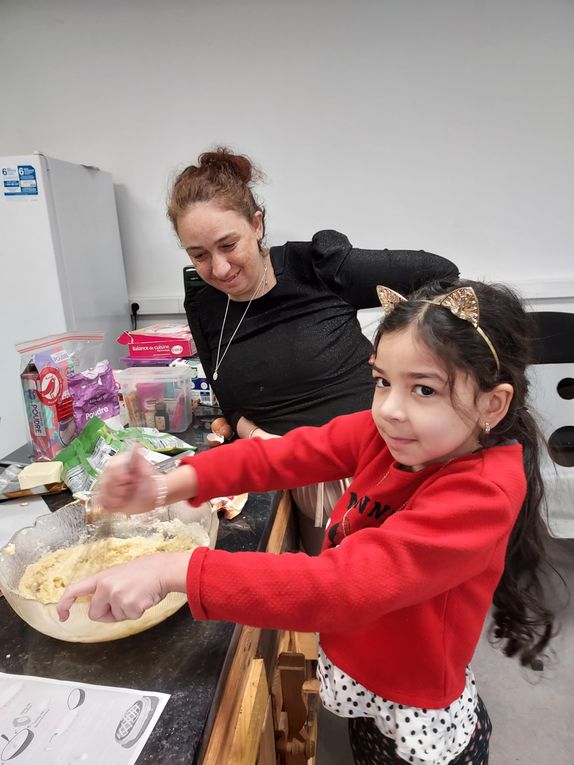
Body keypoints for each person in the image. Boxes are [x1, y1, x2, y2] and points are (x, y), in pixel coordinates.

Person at [59, 278, 555, 765]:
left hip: (413, 698)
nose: (390, 410)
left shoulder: (481, 492)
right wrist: (168, 485)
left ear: (493, 404)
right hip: (368, 666)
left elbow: (341, 587)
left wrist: (176, 570)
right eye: (382, 381)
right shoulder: (390, 435)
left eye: (424, 389)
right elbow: (285, 455)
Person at [170, 146, 459, 551]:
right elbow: (230, 404)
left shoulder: (318, 268)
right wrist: (260, 438)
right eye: (199, 255)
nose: (219, 268)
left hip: (376, 468)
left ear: (257, 225)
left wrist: (397, 361)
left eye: (228, 244)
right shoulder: (205, 305)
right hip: (291, 478)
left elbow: (441, 274)